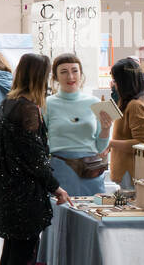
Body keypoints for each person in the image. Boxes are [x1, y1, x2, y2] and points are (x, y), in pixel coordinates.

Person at [0, 54, 70, 265]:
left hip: (7, 192)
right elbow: (35, 160)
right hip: (24, 196)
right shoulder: (28, 110)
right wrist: (57, 188)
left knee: (10, 253)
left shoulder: (7, 104)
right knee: (21, 257)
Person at [46, 53, 112, 197]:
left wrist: (106, 129)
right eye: (64, 72)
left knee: (93, 214)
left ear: (81, 74)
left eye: (74, 71)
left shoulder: (94, 102)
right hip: (60, 169)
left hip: (91, 170)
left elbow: (101, 147)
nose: (70, 77)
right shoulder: (48, 104)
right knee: (62, 215)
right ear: (56, 77)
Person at [108, 57, 144, 187]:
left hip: (129, 174)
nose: (114, 85)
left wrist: (110, 143)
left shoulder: (135, 105)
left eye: (116, 81)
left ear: (124, 82)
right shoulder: (129, 101)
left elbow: (143, 142)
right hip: (124, 172)